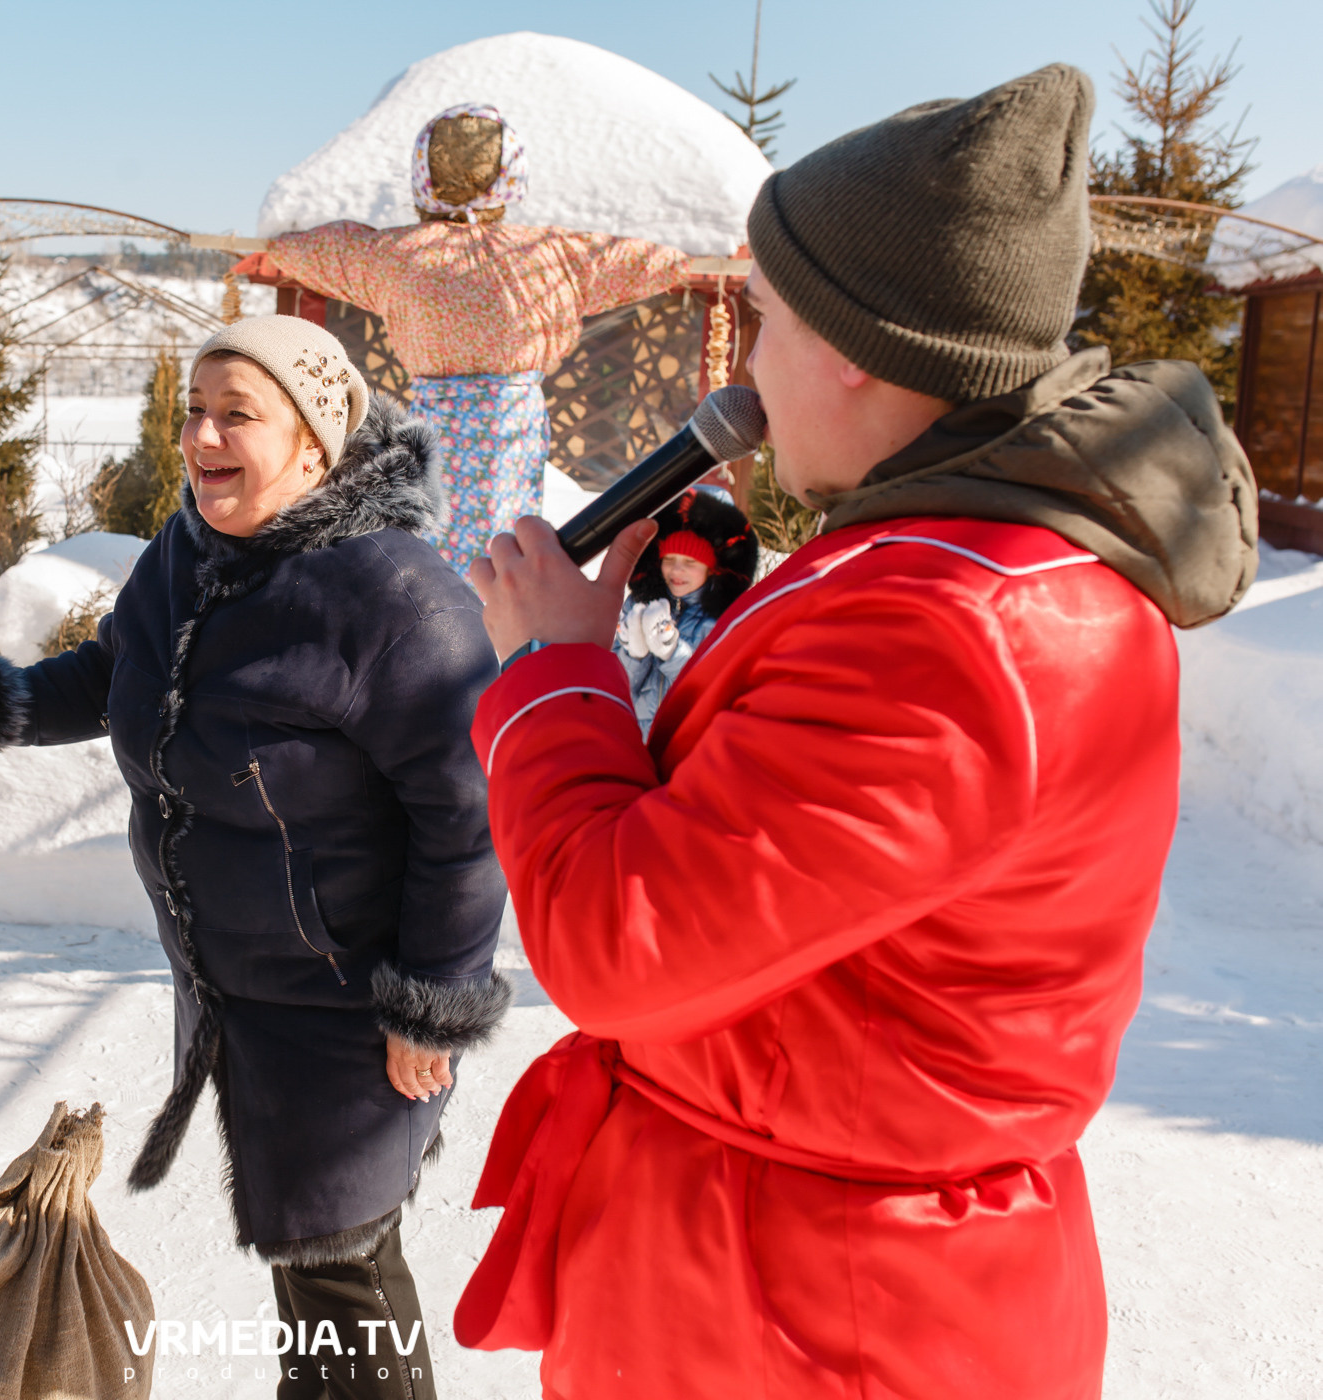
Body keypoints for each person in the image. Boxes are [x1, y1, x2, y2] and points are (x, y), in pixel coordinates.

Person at [455, 65, 1257, 1398]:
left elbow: (619, 941)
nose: (742, 378)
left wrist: (554, 673)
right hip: (810, 1280)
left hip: (812, 1319)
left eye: (761, 322)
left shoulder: (948, 628)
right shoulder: (978, 566)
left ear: (853, 348)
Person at [0, 314, 509, 1400]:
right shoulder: (194, 550)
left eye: (239, 414)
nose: (200, 435)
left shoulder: (398, 598)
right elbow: (118, 668)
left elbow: (465, 815)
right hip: (241, 992)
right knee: (320, 1268)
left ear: (318, 443)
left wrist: (434, 1002)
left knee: (344, 1280)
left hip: (348, 1005)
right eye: (195, 409)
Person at [264, 104, 689, 573]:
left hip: (436, 424)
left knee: (434, 537)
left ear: (423, 176)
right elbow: (661, 261)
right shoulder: (547, 255)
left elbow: (294, 248)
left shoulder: (397, 254)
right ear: (511, 177)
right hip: (513, 427)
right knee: (507, 551)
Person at [614, 488, 756, 734]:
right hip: (636, 745)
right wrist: (634, 655)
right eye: (669, 560)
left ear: (712, 568)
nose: (676, 571)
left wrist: (673, 654)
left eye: (690, 563)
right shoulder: (640, 605)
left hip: (688, 748)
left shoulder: (726, 620)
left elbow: (714, 692)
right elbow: (618, 693)